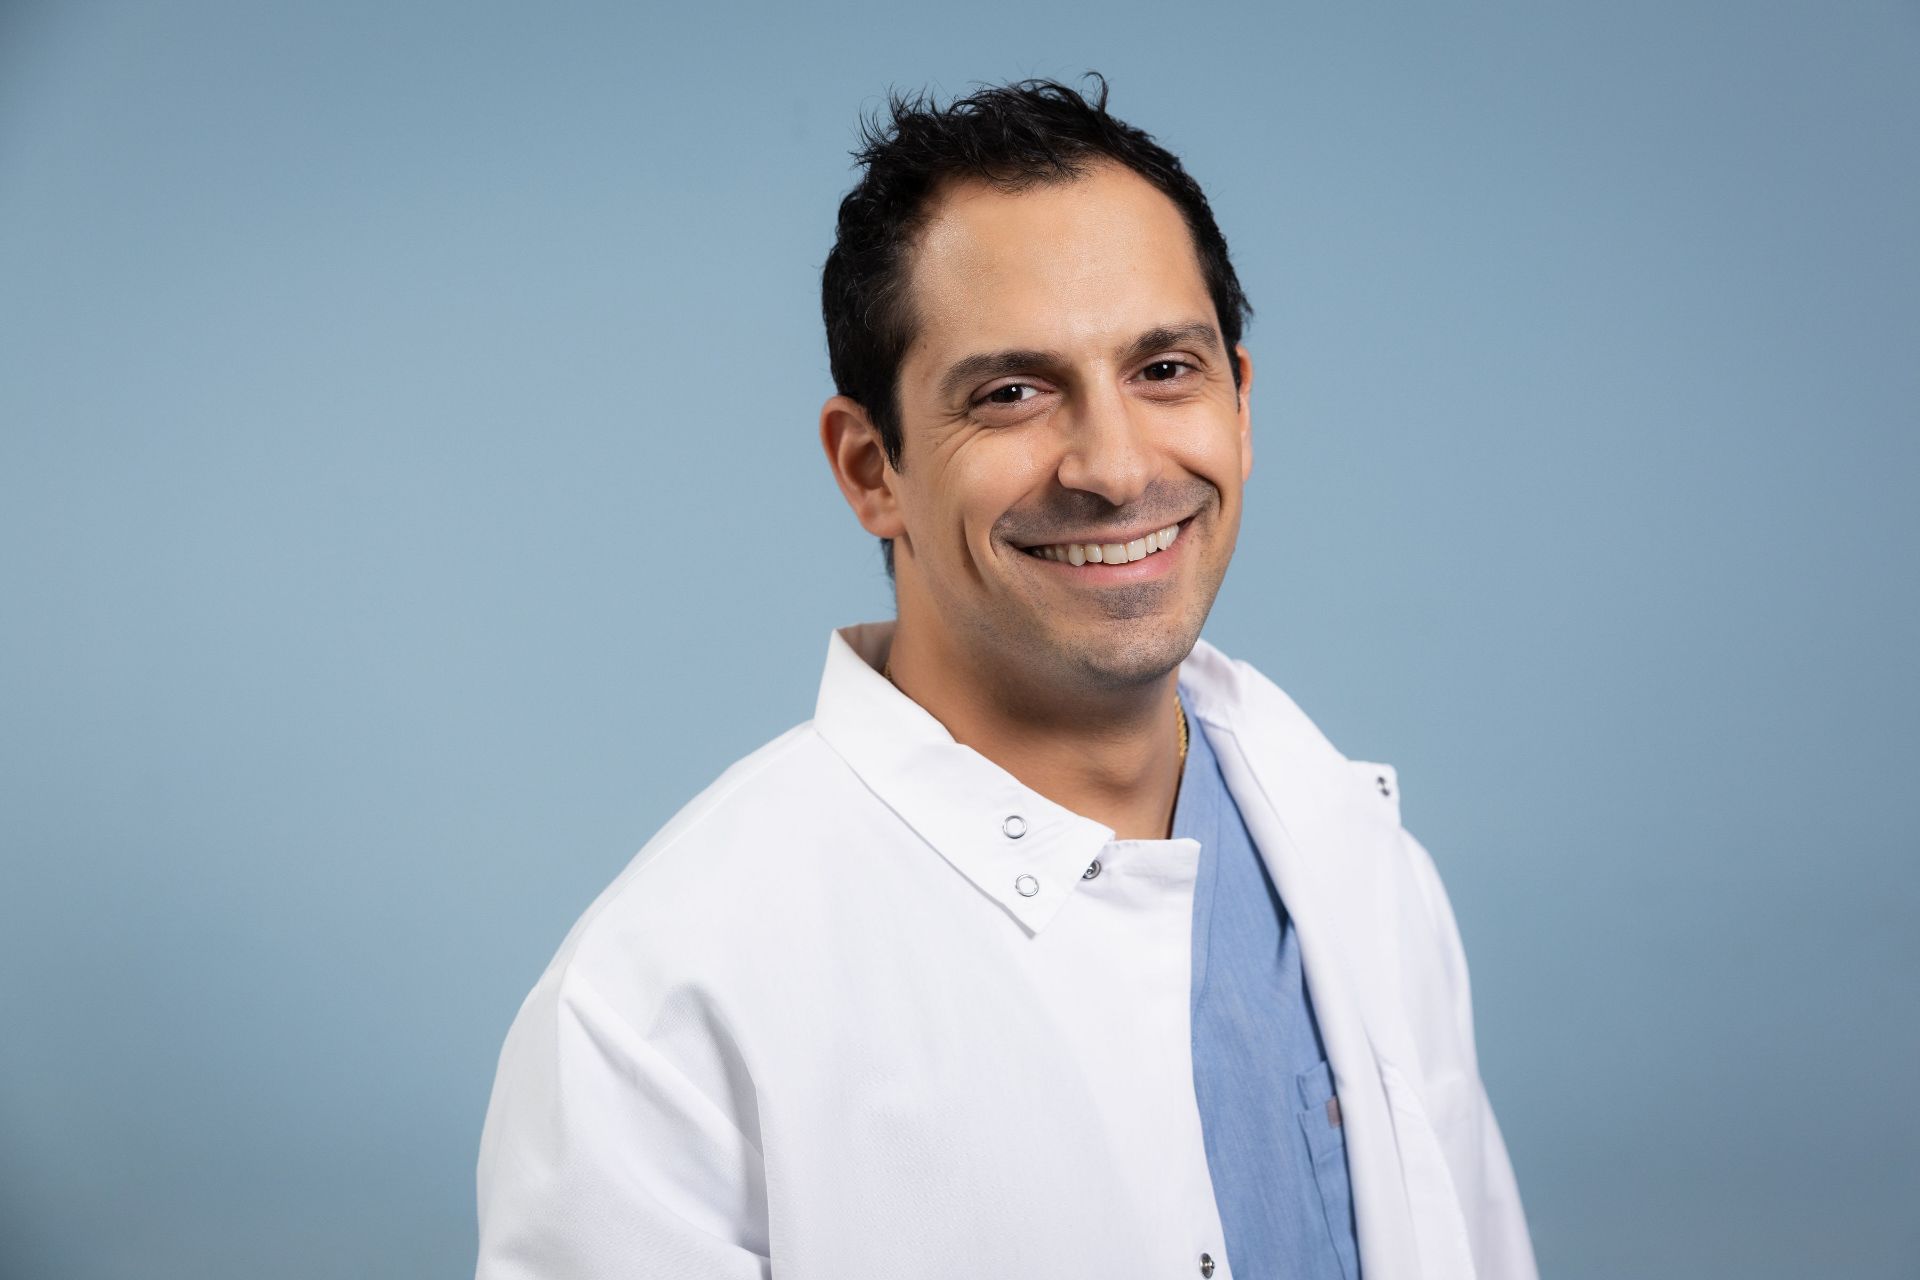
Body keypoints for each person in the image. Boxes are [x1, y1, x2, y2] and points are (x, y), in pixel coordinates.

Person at [475, 76, 1536, 1280]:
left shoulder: (1361, 864)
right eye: (1013, 393)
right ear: (872, 466)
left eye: (1165, 370)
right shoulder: (659, 1007)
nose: (1115, 465)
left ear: (1242, 405)